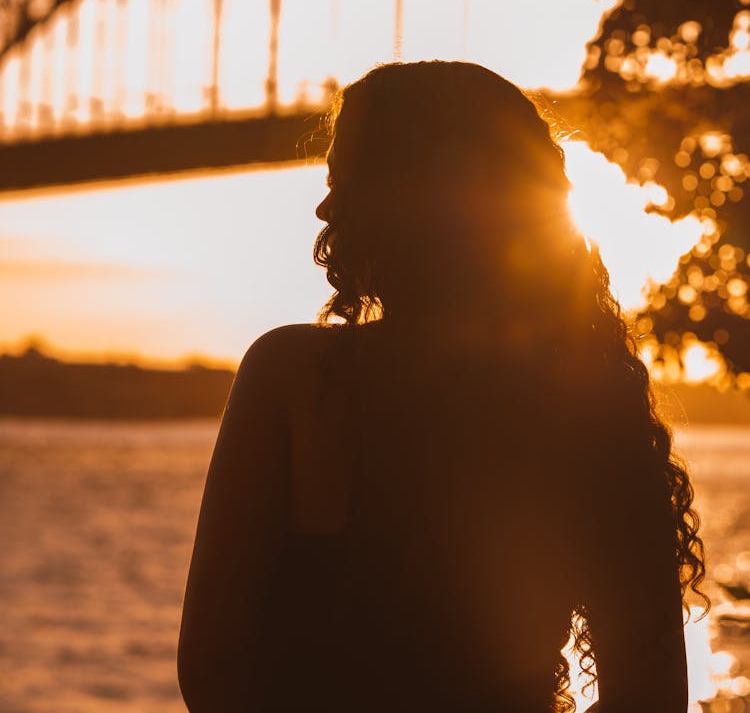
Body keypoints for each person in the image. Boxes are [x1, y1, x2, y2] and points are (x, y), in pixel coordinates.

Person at [178, 60, 706, 713]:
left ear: (408, 198)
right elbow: (650, 694)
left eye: (343, 179)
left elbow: (211, 667)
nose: (324, 205)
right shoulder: (593, 405)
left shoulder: (293, 378)